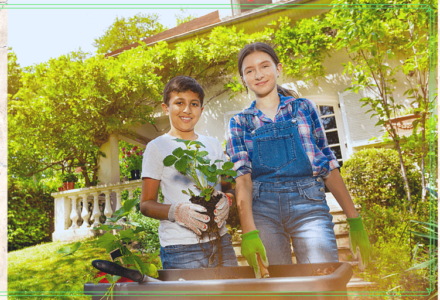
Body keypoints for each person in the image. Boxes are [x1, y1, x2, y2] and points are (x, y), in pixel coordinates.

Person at [226, 42, 371, 278]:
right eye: (249, 70)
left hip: (309, 206)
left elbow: (327, 162)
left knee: (323, 284)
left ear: (278, 68)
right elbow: (242, 179)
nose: (258, 74)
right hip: (263, 210)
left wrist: (354, 219)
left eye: (265, 66)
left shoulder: (303, 108)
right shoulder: (239, 122)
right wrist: (249, 232)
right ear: (243, 79)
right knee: (277, 289)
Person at [139, 76, 239, 269]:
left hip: (221, 241)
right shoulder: (157, 147)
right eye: (179, 103)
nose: (187, 110)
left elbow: (229, 187)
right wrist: (176, 211)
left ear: (201, 110)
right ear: (165, 108)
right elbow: (145, 204)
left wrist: (228, 199)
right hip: (181, 249)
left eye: (194, 104)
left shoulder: (213, 144)